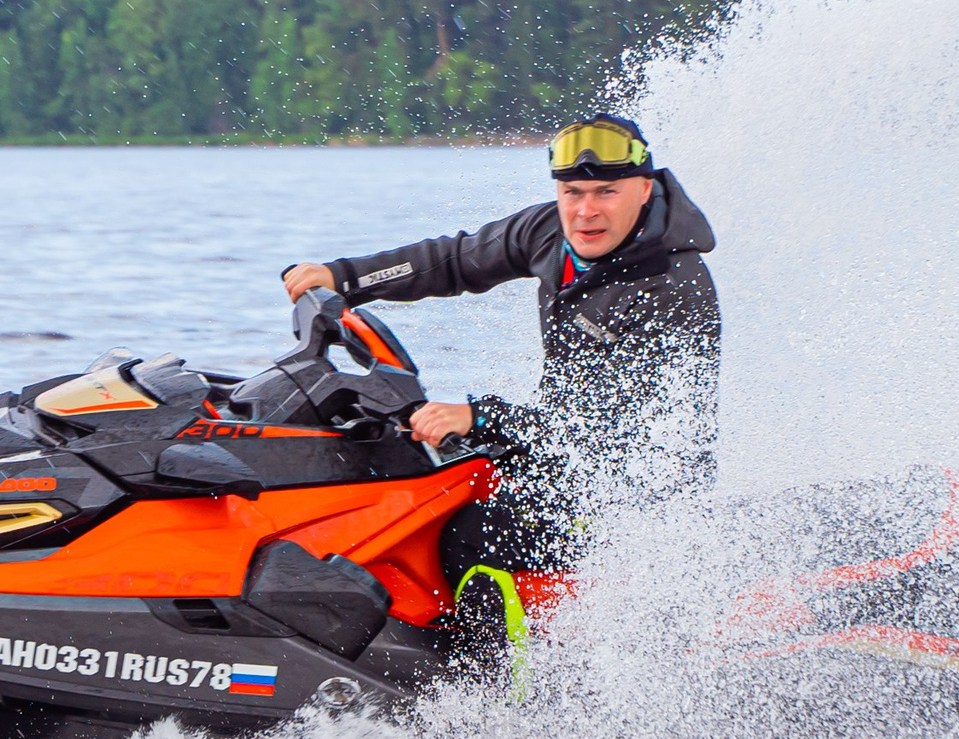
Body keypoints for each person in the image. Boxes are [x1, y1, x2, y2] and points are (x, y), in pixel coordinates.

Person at [280, 115, 719, 671]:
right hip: (561, 458)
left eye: (606, 192)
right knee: (414, 480)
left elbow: (609, 428)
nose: (587, 211)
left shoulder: (672, 289)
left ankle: (490, 698)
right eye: (573, 193)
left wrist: (479, 416)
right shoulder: (550, 234)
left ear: (644, 188)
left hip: (634, 502)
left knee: (470, 532)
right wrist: (344, 277)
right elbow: (454, 260)